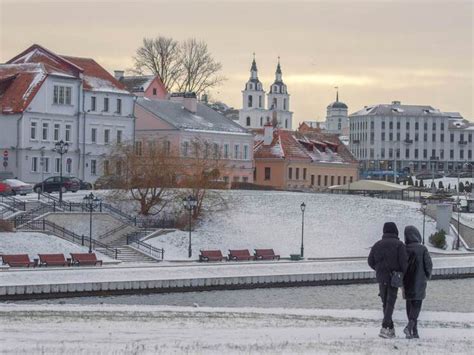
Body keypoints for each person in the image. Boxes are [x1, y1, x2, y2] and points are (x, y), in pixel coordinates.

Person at [368, 222, 408, 338]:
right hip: (394, 278)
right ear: (395, 231)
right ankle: (385, 327)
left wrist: (378, 269)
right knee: (390, 303)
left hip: (381, 278)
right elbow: (404, 264)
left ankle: (390, 329)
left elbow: (370, 261)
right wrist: (401, 274)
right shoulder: (399, 245)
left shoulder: (377, 245)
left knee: (385, 303)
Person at [402, 225, 433, 339]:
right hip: (419, 281)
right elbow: (428, 265)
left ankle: (413, 331)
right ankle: (410, 327)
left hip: (407, 281)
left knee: (409, 304)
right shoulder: (422, 249)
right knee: (417, 305)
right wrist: (428, 275)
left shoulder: (404, 248)